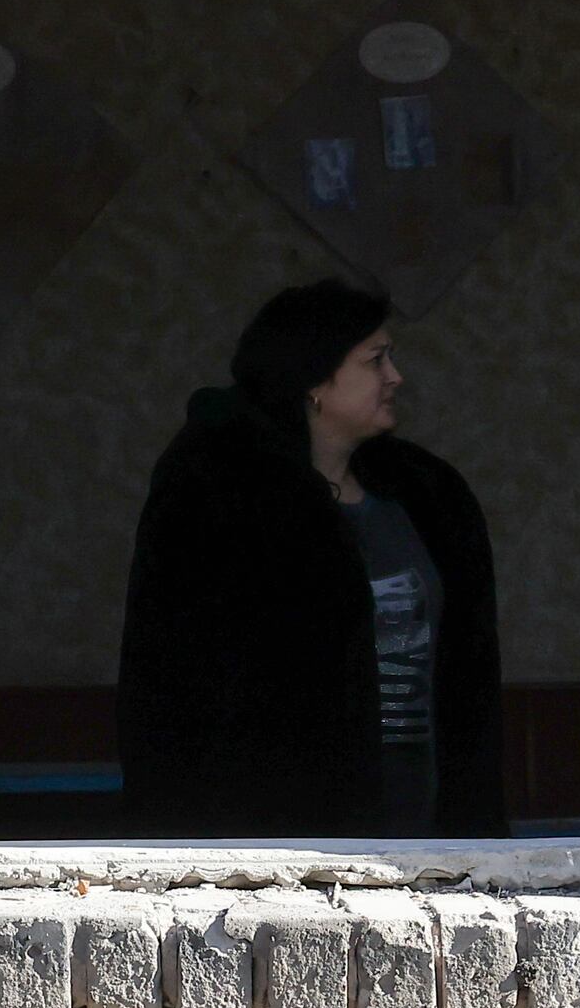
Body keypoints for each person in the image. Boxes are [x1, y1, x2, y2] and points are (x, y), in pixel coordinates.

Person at [116, 283, 506, 838]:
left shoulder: (421, 497)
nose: (394, 377)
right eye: (375, 360)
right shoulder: (227, 494)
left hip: (422, 805)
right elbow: (178, 676)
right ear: (316, 380)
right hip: (282, 817)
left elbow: (463, 670)